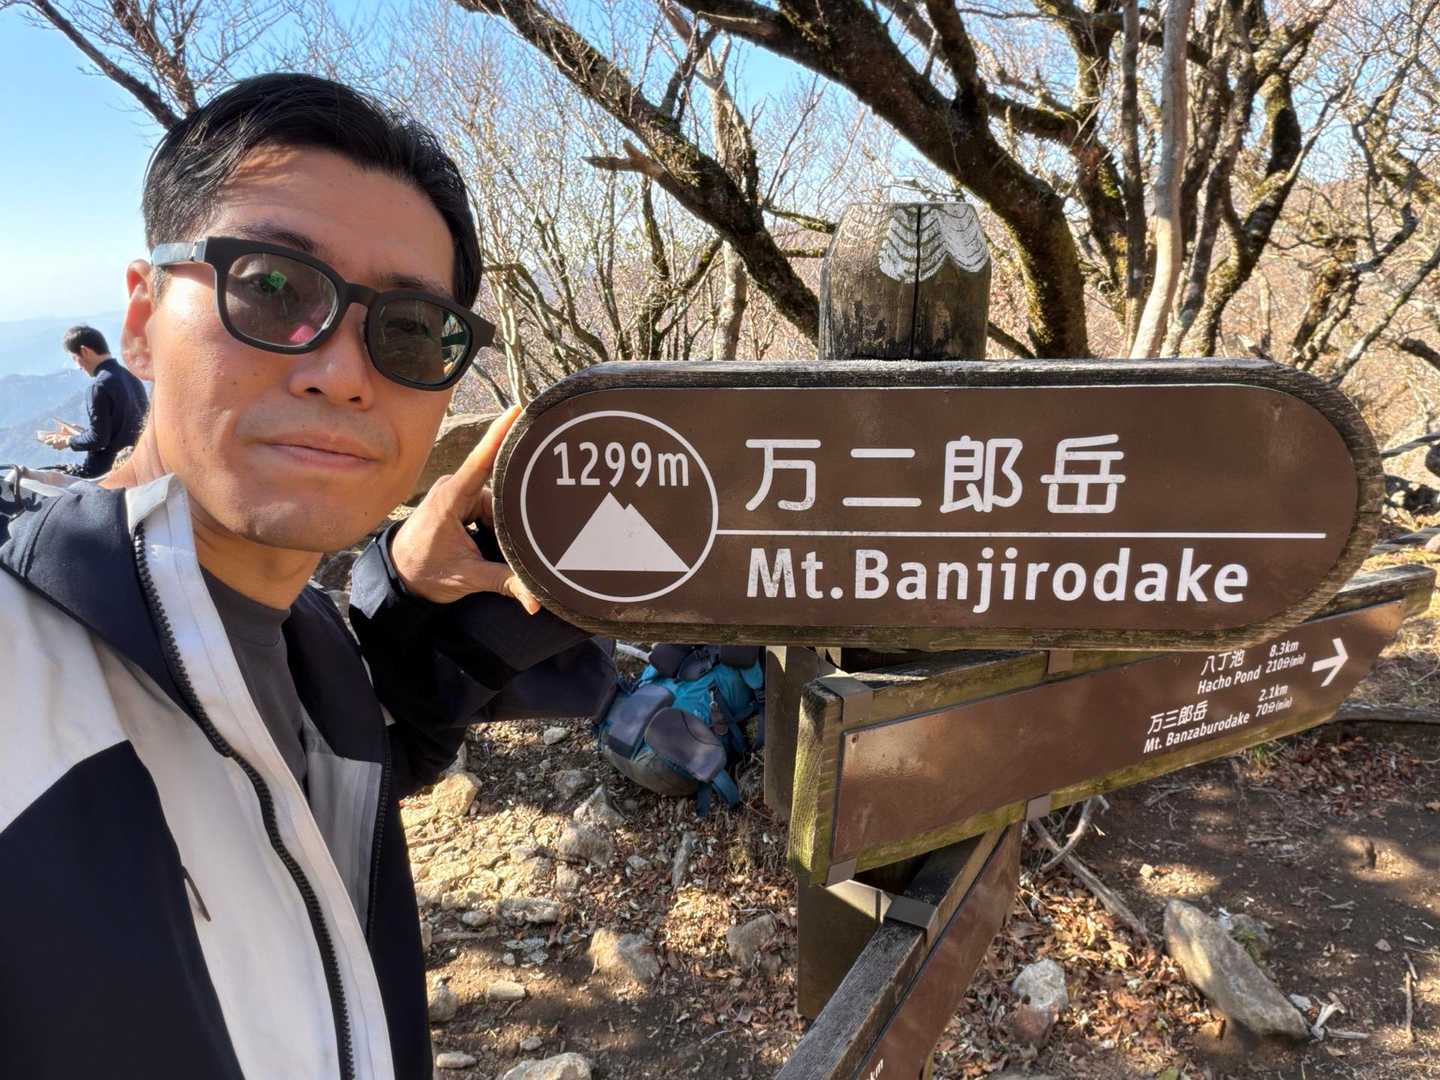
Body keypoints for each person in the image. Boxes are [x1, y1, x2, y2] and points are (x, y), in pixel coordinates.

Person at [0, 74, 614, 1080]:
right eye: (274, 288)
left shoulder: (305, 648)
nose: (341, 372)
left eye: (409, 330)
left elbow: (313, 778)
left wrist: (402, 595)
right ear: (143, 318)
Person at [35, 325, 148, 477]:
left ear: (84, 351)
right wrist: (81, 433)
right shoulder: (132, 379)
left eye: (74, 358)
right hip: (134, 466)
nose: (78, 366)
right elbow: (121, 432)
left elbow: (98, 440)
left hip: (103, 473)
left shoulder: (99, 387)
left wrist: (67, 441)